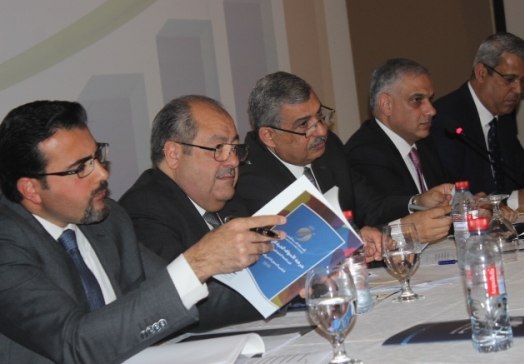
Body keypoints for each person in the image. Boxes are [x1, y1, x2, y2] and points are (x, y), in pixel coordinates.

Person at [0, 100, 284, 363]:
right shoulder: (6, 246)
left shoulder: (107, 220)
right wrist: (199, 262)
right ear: (31, 189)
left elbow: (174, 297)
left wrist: (290, 282)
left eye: (97, 156)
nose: (102, 173)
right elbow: (76, 345)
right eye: (80, 168)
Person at [236, 71, 452, 247]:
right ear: (269, 136)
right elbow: (313, 246)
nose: (321, 131)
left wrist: (416, 202)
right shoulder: (250, 178)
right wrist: (402, 232)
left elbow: (370, 207)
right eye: (303, 125)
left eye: (319, 116)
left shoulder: (330, 149)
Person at [120, 95, 272, 331]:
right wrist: (280, 289)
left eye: (235, 148)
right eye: (218, 148)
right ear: (174, 154)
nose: (233, 161)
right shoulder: (143, 209)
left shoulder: (231, 197)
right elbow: (183, 301)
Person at [346, 58, 517, 222]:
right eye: (417, 100)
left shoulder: (424, 143)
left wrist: (473, 205)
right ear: (386, 105)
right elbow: (392, 217)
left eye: (430, 99)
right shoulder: (365, 153)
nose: (431, 110)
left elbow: (447, 195)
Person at [431, 33, 524, 212]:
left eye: (523, 80)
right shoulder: (447, 119)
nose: (518, 89)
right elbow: (452, 192)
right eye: (510, 79)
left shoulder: (501, 114)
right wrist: (511, 201)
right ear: (481, 73)